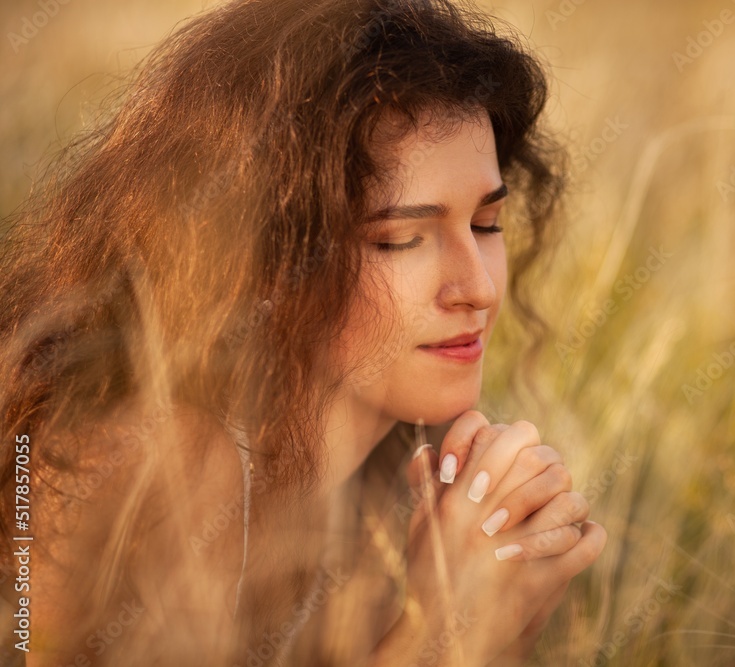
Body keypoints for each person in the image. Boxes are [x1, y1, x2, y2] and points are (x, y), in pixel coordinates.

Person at [0, 0, 607, 665]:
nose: (480, 287)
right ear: (266, 255)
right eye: (401, 239)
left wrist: (506, 619)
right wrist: (441, 631)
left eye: (486, 225)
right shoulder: (156, 457)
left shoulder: (400, 477)